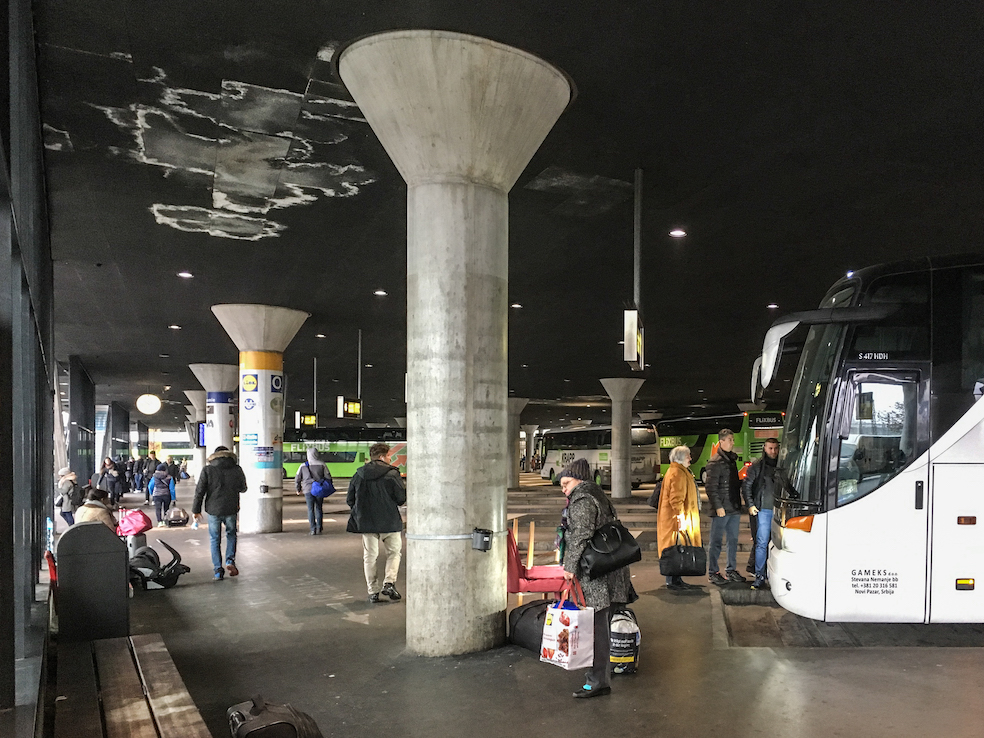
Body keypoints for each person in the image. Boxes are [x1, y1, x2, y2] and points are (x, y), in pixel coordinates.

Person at [557, 458, 634, 699]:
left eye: (567, 482)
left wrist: (569, 566)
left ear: (579, 480)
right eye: (561, 484)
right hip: (609, 568)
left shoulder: (582, 499)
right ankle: (599, 677)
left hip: (597, 574)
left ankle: (597, 681)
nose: (564, 488)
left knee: (597, 627)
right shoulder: (598, 495)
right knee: (601, 625)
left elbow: (581, 534)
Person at [346, 443, 406, 603]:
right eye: (389, 456)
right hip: (389, 521)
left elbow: (350, 500)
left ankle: (373, 591)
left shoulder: (359, 474)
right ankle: (389, 582)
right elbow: (401, 499)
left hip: (366, 522)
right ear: (382, 457)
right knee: (394, 553)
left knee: (370, 557)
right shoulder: (392, 474)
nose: (390, 458)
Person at [192, 446, 248, 581]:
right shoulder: (236, 469)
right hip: (231, 508)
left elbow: (200, 491)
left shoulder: (208, 469)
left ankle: (218, 570)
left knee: (214, 539)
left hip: (213, 509)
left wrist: (196, 510)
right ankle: (230, 561)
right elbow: (243, 488)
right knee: (231, 534)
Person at [656, 446, 703, 591]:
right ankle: (673, 580)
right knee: (674, 549)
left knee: (675, 548)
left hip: (675, 518)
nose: (690, 458)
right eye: (688, 456)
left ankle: (676, 578)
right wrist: (680, 517)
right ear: (681, 457)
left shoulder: (677, 471)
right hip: (676, 519)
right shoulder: (678, 473)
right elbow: (676, 499)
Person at [705, 429, 746, 586]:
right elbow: (711, 487)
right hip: (722, 510)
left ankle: (730, 570)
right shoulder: (715, 462)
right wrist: (718, 506)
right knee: (716, 541)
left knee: (732, 540)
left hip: (733, 507)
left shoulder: (730, 461)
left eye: (732, 439)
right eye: (729, 439)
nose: (732, 442)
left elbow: (733, 484)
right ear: (721, 441)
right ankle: (713, 572)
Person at [742, 437, 780, 589]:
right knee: (762, 544)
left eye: (775, 448)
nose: (773, 451)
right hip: (763, 510)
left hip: (778, 510)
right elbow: (746, 487)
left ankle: (771, 575)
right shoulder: (757, 466)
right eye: (770, 448)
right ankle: (759, 576)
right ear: (764, 448)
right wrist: (750, 505)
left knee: (775, 544)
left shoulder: (782, 465)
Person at [295, 447, 333, 535]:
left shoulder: (303, 465)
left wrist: (298, 489)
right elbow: (328, 477)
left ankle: (312, 529)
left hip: (308, 490)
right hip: (319, 489)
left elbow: (297, 478)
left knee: (310, 509)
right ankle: (319, 528)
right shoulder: (322, 464)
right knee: (319, 508)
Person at [150, 463, 175, 528]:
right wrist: (173, 498)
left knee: (158, 509)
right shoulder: (169, 477)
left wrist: (152, 493)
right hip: (166, 494)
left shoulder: (154, 477)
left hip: (157, 495)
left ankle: (159, 522)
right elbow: (172, 488)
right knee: (166, 508)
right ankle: (165, 521)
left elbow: (150, 486)